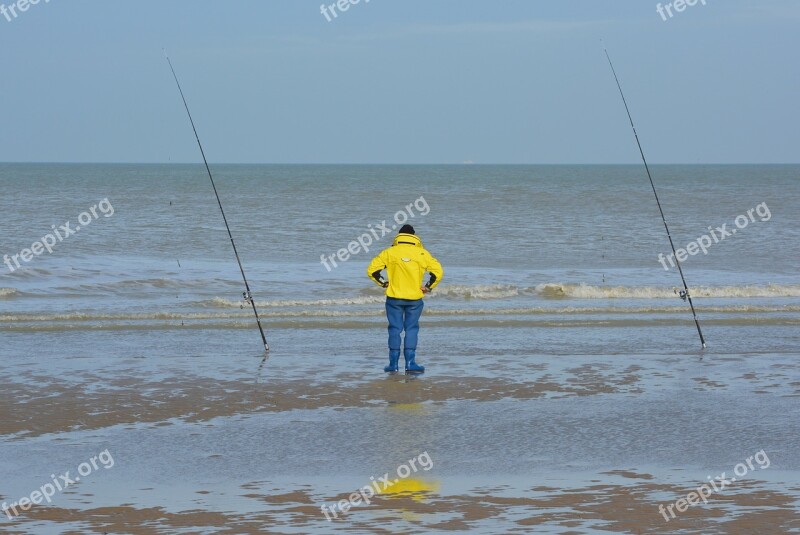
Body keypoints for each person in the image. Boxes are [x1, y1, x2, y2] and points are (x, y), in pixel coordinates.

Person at [367, 224, 444, 374]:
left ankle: (393, 364)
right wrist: (428, 287)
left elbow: (372, 270)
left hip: (394, 298)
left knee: (394, 329)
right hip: (414, 299)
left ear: (398, 237)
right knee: (412, 329)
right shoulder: (422, 253)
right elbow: (438, 272)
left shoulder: (389, 252)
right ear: (414, 236)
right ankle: (410, 363)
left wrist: (383, 283)